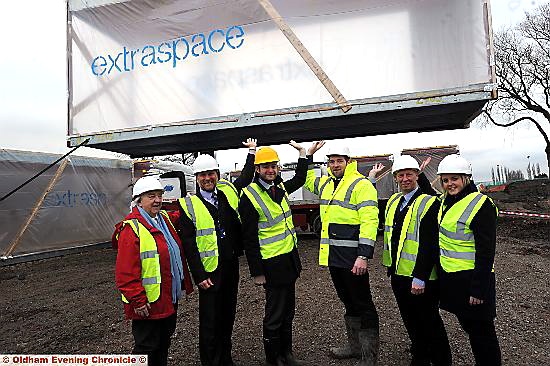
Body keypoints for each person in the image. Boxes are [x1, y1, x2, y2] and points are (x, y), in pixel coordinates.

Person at [239, 141, 324, 366]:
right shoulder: (249, 196)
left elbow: (299, 178)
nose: (270, 170)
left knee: (288, 313)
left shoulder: (280, 187)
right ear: (257, 170)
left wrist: (304, 155)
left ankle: (287, 355)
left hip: (289, 260)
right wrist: (256, 272)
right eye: (265, 166)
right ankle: (273, 359)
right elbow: (248, 238)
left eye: (273, 166)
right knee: (274, 316)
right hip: (271, 264)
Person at [177, 138, 257, 366]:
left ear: (217, 174)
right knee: (210, 320)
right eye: (202, 175)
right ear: (197, 178)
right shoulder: (188, 205)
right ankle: (210, 361)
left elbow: (245, 177)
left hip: (230, 265)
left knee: (228, 315)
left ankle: (225, 358)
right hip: (209, 271)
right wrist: (199, 276)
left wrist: (252, 152)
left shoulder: (227, 192)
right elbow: (190, 246)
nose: (207, 178)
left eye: (211, 173)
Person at [303, 145, 379, 366]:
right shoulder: (327, 183)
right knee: (348, 302)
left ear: (348, 161)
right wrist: (308, 156)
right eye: (331, 161)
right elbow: (308, 181)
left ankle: (369, 356)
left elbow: (370, 221)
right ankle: (355, 348)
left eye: (339, 161)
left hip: (353, 258)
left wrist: (363, 255)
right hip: (334, 257)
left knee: (363, 303)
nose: (335, 165)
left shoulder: (361, 185)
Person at [112, 175, 194, 366]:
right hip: (147, 304)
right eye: (151, 196)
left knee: (163, 343)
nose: (157, 200)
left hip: (167, 299)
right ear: (138, 200)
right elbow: (125, 273)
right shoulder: (131, 228)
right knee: (146, 348)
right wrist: (138, 300)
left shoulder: (163, 218)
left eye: (159, 195)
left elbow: (185, 213)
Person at [382, 155, 451, 366]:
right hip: (398, 274)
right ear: (395, 178)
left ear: (417, 176)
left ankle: (441, 360)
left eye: (409, 175)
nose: (405, 179)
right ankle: (420, 355)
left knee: (430, 321)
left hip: (421, 277)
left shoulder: (429, 202)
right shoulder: (394, 201)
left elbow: (430, 243)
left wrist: (420, 276)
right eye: (400, 175)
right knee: (410, 320)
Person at [436, 154, 501, 365]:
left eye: (454, 178)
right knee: (471, 329)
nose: (449, 184)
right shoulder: (447, 201)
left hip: (474, 280)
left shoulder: (480, 204)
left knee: (483, 334)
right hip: (455, 279)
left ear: (466, 178)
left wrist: (478, 289)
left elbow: (486, 251)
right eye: (445, 180)